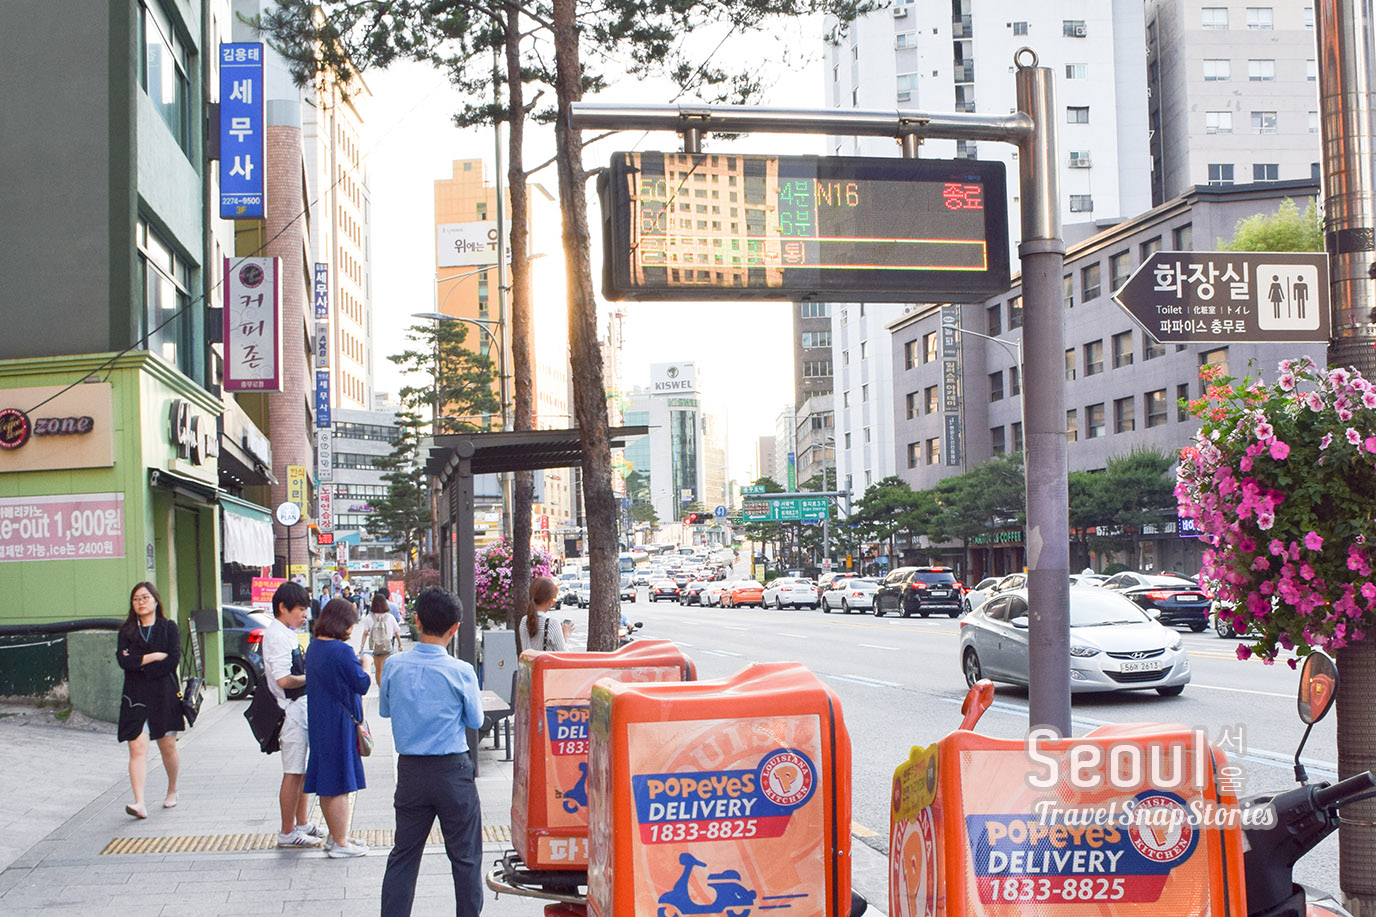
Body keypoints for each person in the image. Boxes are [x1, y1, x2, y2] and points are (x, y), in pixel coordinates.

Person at [379, 587, 485, 916]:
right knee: (465, 857)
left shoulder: (394, 667)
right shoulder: (461, 671)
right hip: (453, 773)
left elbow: (384, 710)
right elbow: (476, 719)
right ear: (455, 628)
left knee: (404, 855)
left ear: (416, 621)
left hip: (411, 772)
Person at [304, 598, 372, 858]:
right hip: (340, 723)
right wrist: (365, 664)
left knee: (327, 781)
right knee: (340, 782)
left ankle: (336, 835)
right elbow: (362, 684)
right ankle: (341, 842)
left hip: (321, 720)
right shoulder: (341, 651)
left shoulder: (314, 647)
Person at [263, 581, 326, 848]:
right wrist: (310, 676)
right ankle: (287, 832)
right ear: (283, 608)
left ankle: (302, 824)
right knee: (293, 772)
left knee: (300, 771)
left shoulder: (284, 632)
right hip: (289, 712)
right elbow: (283, 680)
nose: (304, 615)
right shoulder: (277, 635)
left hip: (297, 709)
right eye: (300, 609)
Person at [115, 582, 183, 819]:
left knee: (167, 746)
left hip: (164, 694)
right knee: (137, 746)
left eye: (145, 597)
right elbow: (124, 661)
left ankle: (172, 788)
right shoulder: (127, 631)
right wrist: (153, 656)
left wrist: (140, 665)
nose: (141, 602)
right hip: (135, 696)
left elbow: (172, 660)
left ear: (155, 600)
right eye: (136, 599)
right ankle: (139, 802)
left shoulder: (168, 628)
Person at [516, 576, 573, 653]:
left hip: (528, 665)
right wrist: (566, 635)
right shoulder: (552, 623)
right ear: (549, 600)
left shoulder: (524, 621)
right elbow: (564, 656)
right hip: (545, 665)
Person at [365, 591, 403, 685]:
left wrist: (362, 647)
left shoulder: (369, 617)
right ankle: (387, 688)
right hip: (387, 646)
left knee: (378, 670)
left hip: (375, 647)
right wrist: (400, 644)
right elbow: (397, 633)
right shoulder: (390, 617)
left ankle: (380, 689)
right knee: (387, 668)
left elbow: (366, 632)